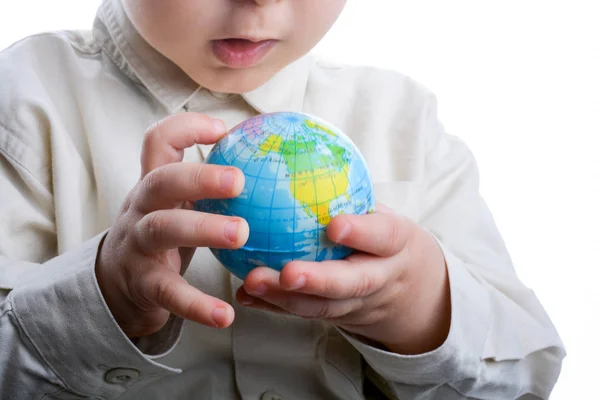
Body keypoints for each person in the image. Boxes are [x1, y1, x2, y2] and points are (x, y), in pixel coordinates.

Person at [0, 0, 565, 399]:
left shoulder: (402, 118)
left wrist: (421, 312)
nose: (262, 0)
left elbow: (528, 376)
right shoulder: (26, 99)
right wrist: (106, 301)